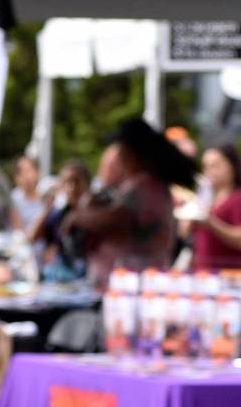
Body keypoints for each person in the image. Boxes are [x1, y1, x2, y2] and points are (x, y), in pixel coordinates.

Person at [65, 117, 195, 289]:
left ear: (130, 154)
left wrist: (77, 217)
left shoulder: (145, 186)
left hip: (134, 285)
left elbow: (115, 220)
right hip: (130, 284)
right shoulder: (142, 185)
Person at [28, 159, 91, 282]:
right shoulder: (59, 215)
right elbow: (32, 238)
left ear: (87, 184)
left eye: (76, 182)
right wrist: (48, 207)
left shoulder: (96, 214)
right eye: (67, 183)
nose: (72, 188)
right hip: (65, 279)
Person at [191, 141, 241, 272]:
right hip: (203, 274)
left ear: (232, 166)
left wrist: (211, 223)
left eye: (215, 166)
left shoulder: (237, 198)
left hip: (229, 277)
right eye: (206, 167)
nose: (209, 172)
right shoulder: (206, 198)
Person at [9, 153, 45, 235]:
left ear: (37, 172)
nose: (27, 176)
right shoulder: (12, 200)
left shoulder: (46, 197)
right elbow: (19, 232)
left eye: (29, 171)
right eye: (22, 172)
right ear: (16, 177)